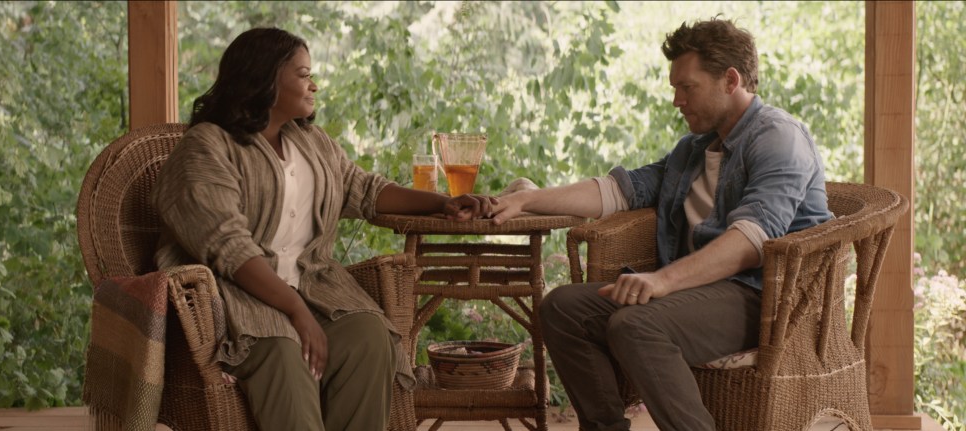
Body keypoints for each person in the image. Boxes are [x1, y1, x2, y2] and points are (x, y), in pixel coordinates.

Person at [490, 17, 832, 431]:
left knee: (635, 325)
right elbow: (619, 191)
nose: (676, 100)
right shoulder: (692, 150)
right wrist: (525, 200)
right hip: (698, 292)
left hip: (764, 298)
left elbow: (752, 239)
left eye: (687, 87)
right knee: (563, 308)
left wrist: (663, 280)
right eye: (674, 87)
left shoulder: (778, 137)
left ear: (730, 80)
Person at [151, 27, 494, 431]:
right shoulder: (207, 146)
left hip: (315, 290)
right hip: (240, 301)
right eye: (303, 74)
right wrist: (296, 312)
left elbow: (366, 190)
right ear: (265, 78)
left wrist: (442, 203)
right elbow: (230, 249)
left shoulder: (311, 142)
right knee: (283, 350)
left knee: (368, 336)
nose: (313, 85)